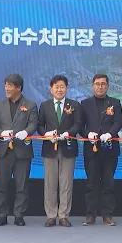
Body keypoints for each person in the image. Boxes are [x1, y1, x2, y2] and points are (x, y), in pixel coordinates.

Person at [0, 73, 38, 226]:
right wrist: (1, 133)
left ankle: (19, 215)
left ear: (18, 88)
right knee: (1, 185)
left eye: (10, 86)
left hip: (22, 151)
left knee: (22, 186)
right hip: (3, 150)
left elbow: (33, 123)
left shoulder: (30, 105)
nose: (6, 88)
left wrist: (26, 132)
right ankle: (2, 215)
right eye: (5, 85)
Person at [36, 75, 82, 227]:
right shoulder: (45, 105)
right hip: (50, 148)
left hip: (68, 147)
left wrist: (69, 133)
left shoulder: (74, 105)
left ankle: (63, 215)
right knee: (50, 183)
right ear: (51, 89)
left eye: (62, 87)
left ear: (67, 89)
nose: (59, 90)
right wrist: (47, 134)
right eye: (56, 87)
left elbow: (78, 124)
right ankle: (51, 215)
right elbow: (39, 125)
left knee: (66, 183)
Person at [80, 73, 122, 227]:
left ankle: (107, 215)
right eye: (97, 84)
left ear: (107, 86)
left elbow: (118, 122)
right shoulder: (84, 103)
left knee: (108, 184)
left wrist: (110, 134)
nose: (100, 86)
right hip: (91, 150)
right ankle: (90, 215)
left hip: (109, 149)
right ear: (93, 86)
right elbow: (80, 125)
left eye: (103, 84)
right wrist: (87, 134)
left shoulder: (115, 103)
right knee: (91, 184)